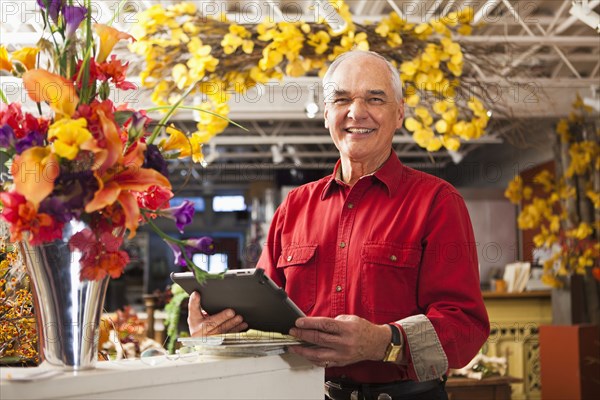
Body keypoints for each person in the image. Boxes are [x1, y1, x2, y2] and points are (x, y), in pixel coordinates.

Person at [187, 50, 490, 399]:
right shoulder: (294, 207)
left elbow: (465, 328)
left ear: (399, 113)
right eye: (341, 99)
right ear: (326, 113)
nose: (356, 112)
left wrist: (385, 342)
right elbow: (263, 318)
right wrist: (220, 334)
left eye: (375, 99)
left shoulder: (437, 202)